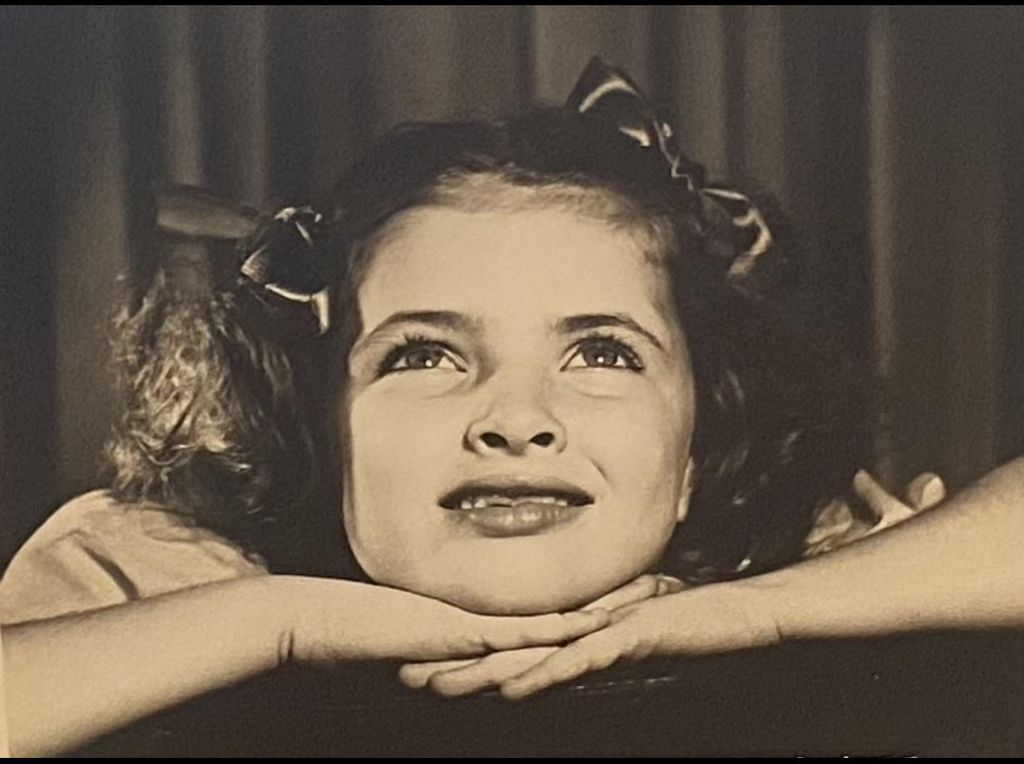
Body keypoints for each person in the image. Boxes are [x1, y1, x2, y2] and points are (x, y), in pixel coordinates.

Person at [2, 58, 1021, 756]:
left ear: (696, 450)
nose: (516, 419)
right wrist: (285, 621)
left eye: (602, 352)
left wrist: (756, 611)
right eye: (424, 354)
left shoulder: (790, 559)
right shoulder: (170, 569)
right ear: (322, 422)